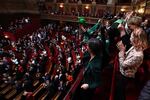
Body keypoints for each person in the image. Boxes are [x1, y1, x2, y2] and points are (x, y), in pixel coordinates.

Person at [115, 16, 148, 100]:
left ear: (138, 40)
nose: (130, 38)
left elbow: (123, 64)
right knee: (118, 90)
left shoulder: (138, 54)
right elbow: (128, 55)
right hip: (124, 72)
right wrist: (124, 51)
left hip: (126, 75)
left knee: (120, 93)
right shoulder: (135, 47)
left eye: (132, 37)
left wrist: (121, 53)